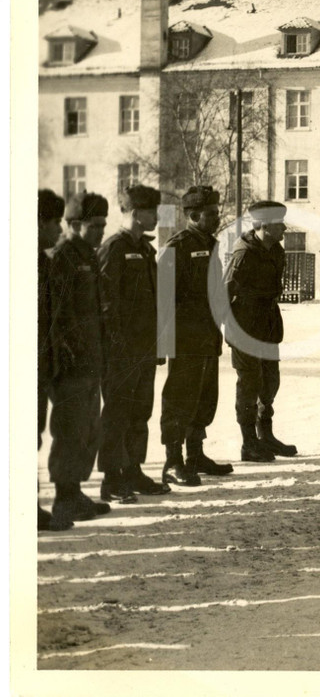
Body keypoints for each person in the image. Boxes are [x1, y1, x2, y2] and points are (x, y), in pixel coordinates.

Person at [97, 185, 171, 503]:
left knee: (140, 412)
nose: (156, 216)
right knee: (117, 413)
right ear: (135, 213)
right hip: (120, 351)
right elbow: (103, 302)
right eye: (151, 211)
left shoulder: (146, 250)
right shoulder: (114, 248)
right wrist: (116, 345)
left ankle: (134, 471)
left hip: (143, 348)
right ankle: (112, 479)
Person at [159, 185, 232, 487]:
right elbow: (164, 299)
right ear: (194, 215)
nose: (217, 218)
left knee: (204, 396)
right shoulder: (176, 247)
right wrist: (164, 343)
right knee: (180, 397)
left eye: (217, 212)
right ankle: (172, 461)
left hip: (206, 335)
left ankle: (195, 455)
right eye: (212, 213)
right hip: (185, 338)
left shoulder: (210, 242)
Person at [47, 192, 112, 528]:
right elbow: (57, 316)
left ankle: (75, 492)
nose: (101, 231)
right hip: (72, 364)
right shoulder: (63, 258)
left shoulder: (88, 254)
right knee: (70, 429)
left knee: (88, 428)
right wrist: (69, 356)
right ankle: (64, 497)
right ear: (74, 225)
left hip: (91, 359)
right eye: (94, 225)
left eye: (103, 225)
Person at [224, 200, 297, 462]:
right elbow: (224, 291)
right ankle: (248, 443)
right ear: (264, 226)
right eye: (280, 224)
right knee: (249, 384)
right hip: (244, 325)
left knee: (270, 382)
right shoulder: (243, 253)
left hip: (267, 323)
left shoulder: (276, 250)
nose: (284, 229)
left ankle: (266, 436)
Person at [38, 189, 68, 530]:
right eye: (54, 222)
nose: (58, 230)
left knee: (32, 435)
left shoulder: (44, 262)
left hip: (42, 364)